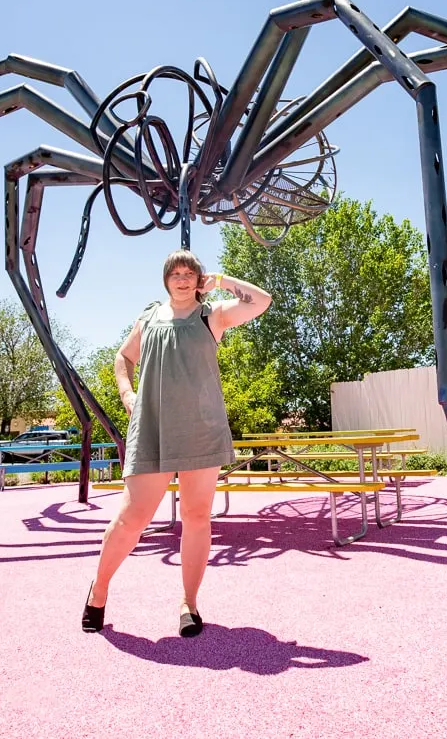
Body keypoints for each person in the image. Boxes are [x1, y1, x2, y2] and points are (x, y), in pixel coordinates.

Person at [82, 249, 271, 637]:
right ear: (166, 279)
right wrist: (126, 394)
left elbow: (262, 301)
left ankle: (189, 603)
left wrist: (220, 281)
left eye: (190, 273)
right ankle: (98, 591)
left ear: (197, 279)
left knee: (197, 517)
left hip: (201, 427)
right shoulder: (149, 317)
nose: (183, 279)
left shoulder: (213, 315)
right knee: (132, 518)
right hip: (152, 426)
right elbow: (123, 356)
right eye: (176, 273)